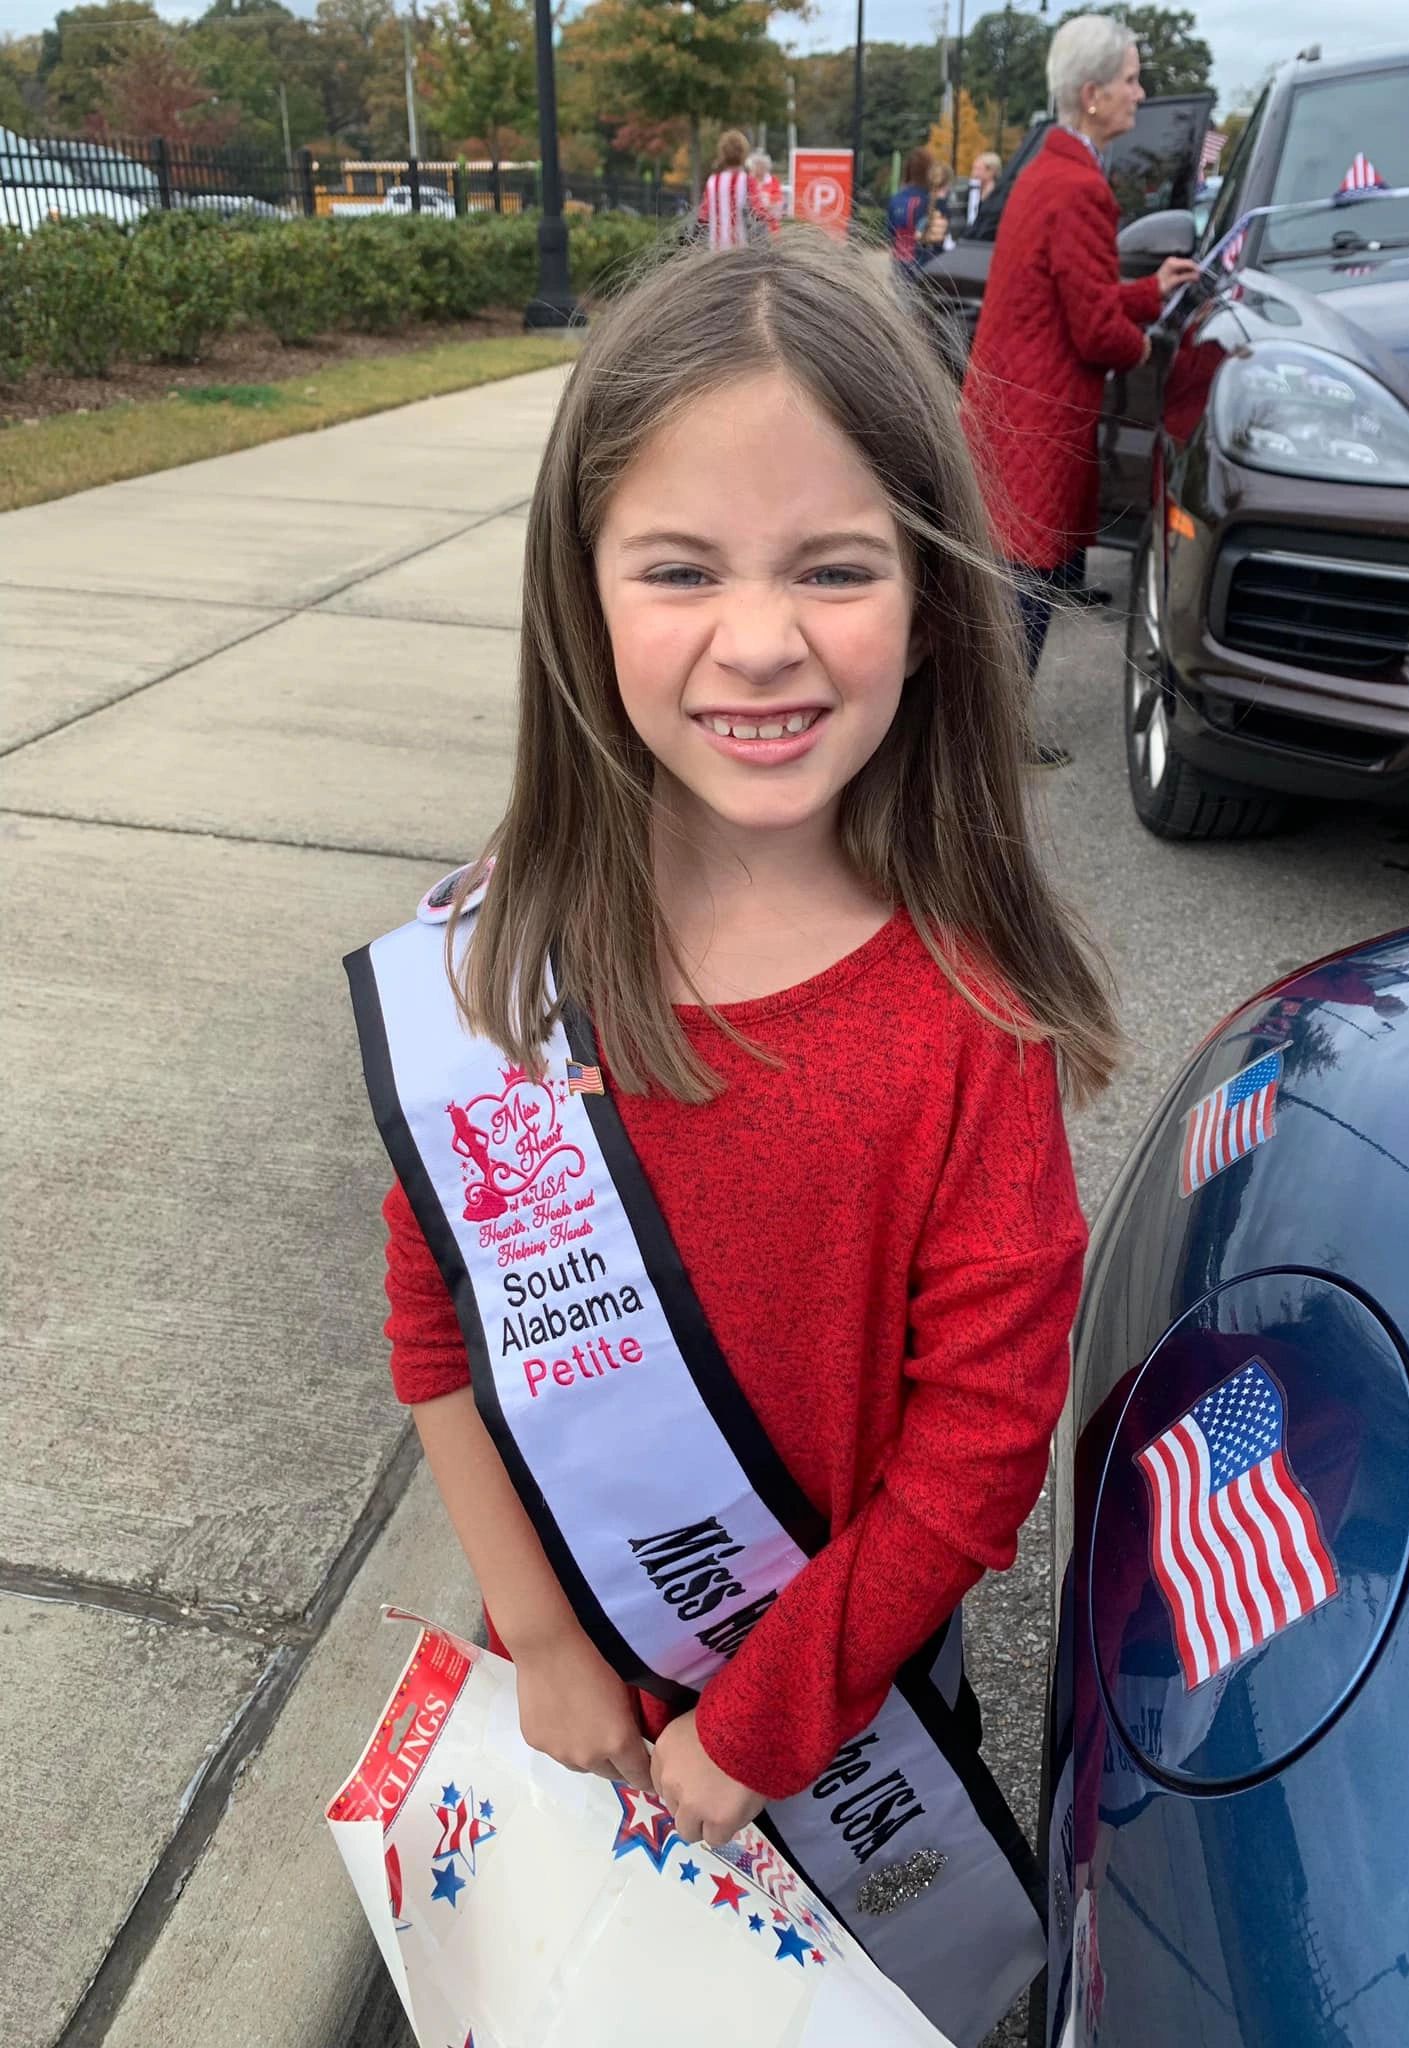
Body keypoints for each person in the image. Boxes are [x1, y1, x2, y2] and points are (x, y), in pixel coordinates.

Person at [348, 234, 1116, 2044]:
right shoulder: (503, 964)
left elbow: (978, 1445)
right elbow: (434, 1312)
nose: (759, 638)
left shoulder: (968, 1015)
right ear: (581, 592)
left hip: (847, 1723)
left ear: (931, 597)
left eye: (835, 569)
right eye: (680, 567)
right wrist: (538, 1633)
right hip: (570, 1686)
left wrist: (754, 1735)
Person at [961, 15, 1201, 731]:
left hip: (1012, 403)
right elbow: (1096, 330)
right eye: (1131, 79)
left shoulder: (1050, 172)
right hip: (1040, 415)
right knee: (1026, 582)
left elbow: (1078, 294)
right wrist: (1149, 347)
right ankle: (996, 743)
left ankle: (987, 734)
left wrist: (1151, 289)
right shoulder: (1079, 189)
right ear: (1093, 94)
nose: (1141, 91)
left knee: (1012, 574)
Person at [697, 128, 757, 249]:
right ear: (744, 153)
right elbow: (759, 211)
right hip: (741, 250)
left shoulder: (712, 181)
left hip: (716, 251)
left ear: (722, 153)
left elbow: (703, 216)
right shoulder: (747, 180)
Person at [885, 144, 931, 270]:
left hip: (899, 258)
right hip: (922, 261)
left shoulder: (896, 198)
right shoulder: (928, 199)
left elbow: (889, 231)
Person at [917, 157, 955, 263]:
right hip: (939, 262)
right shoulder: (947, 208)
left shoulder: (920, 203)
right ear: (948, 183)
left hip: (921, 260)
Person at [746, 147, 784, 232]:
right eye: (756, 164)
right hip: (749, 226)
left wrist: (760, 207)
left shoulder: (773, 181)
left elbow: (777, 205)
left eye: (762, 165)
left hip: (770, 226)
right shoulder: (747, 181)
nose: (759, 168)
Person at [966, 149, 1002, 227]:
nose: (973, 173)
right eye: (973, 168)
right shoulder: (972, 191)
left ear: (991, 171)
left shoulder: (1000, 194)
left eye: (978, 169)